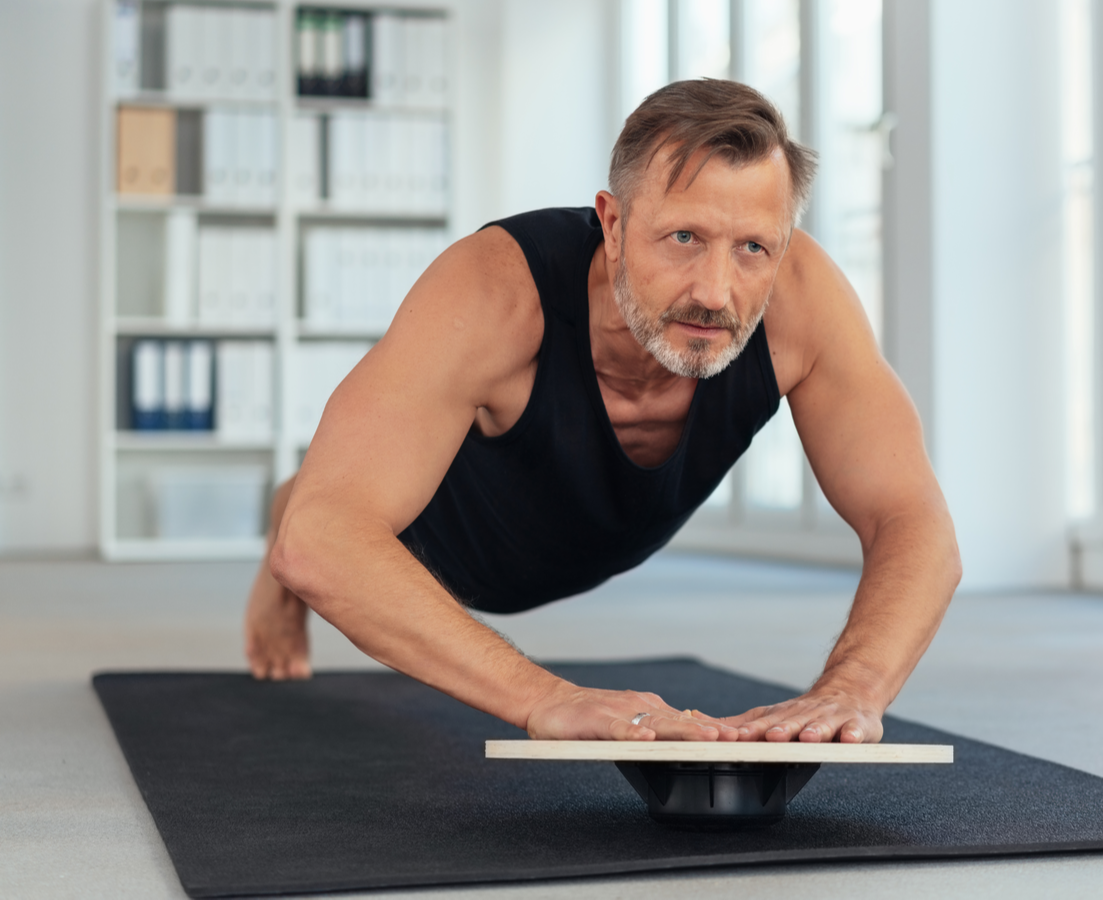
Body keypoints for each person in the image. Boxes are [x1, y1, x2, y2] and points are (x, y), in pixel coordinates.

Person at [245, 79, 960, 745]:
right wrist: (542, 696)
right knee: (313, 505)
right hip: (447, 542)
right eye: (684, 238)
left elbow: (913, 518)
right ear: (612, 224)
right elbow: (322, 540)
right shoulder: (492, 292)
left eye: (752, 248)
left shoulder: (805, 300)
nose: (716, 291)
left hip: (609, 534)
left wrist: (854, 690)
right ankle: (292, 490)